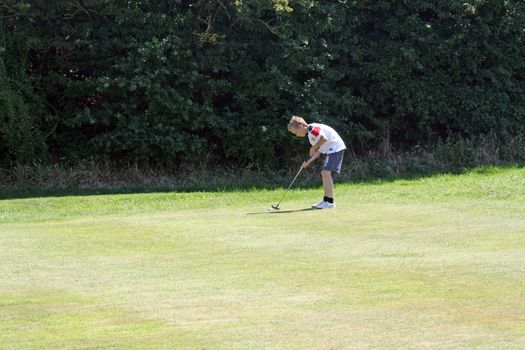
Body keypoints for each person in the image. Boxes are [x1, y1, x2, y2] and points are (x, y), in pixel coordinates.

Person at [287, 115, 346, 209]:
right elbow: (319, 151)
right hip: (330, 149)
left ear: (301, 126)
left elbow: (324, 138)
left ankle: (330, 202)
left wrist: (313, 148)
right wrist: (307, 162)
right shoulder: (310, 135)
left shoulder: (312, 129)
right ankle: (326, 200)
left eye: (296, 132)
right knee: (324, 173)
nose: (296, 135)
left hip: (336, 147)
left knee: (325, 172)